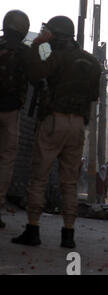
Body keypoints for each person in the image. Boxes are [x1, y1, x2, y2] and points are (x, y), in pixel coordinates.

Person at [12, 16, 101, 248]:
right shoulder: (92, 62)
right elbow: (93, 97)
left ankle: (32, 230)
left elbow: (35, 73)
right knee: (70, 182)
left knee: (39, 176)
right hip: (78, 126)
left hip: (54, 121)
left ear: (55, 35)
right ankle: (68, 234)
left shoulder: (53, 55)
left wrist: (38, 43)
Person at [0, 10, 31, 229]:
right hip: (11, 112)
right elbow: (45, 64)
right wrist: (43, 41)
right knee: (6, 160)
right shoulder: (26, 52)